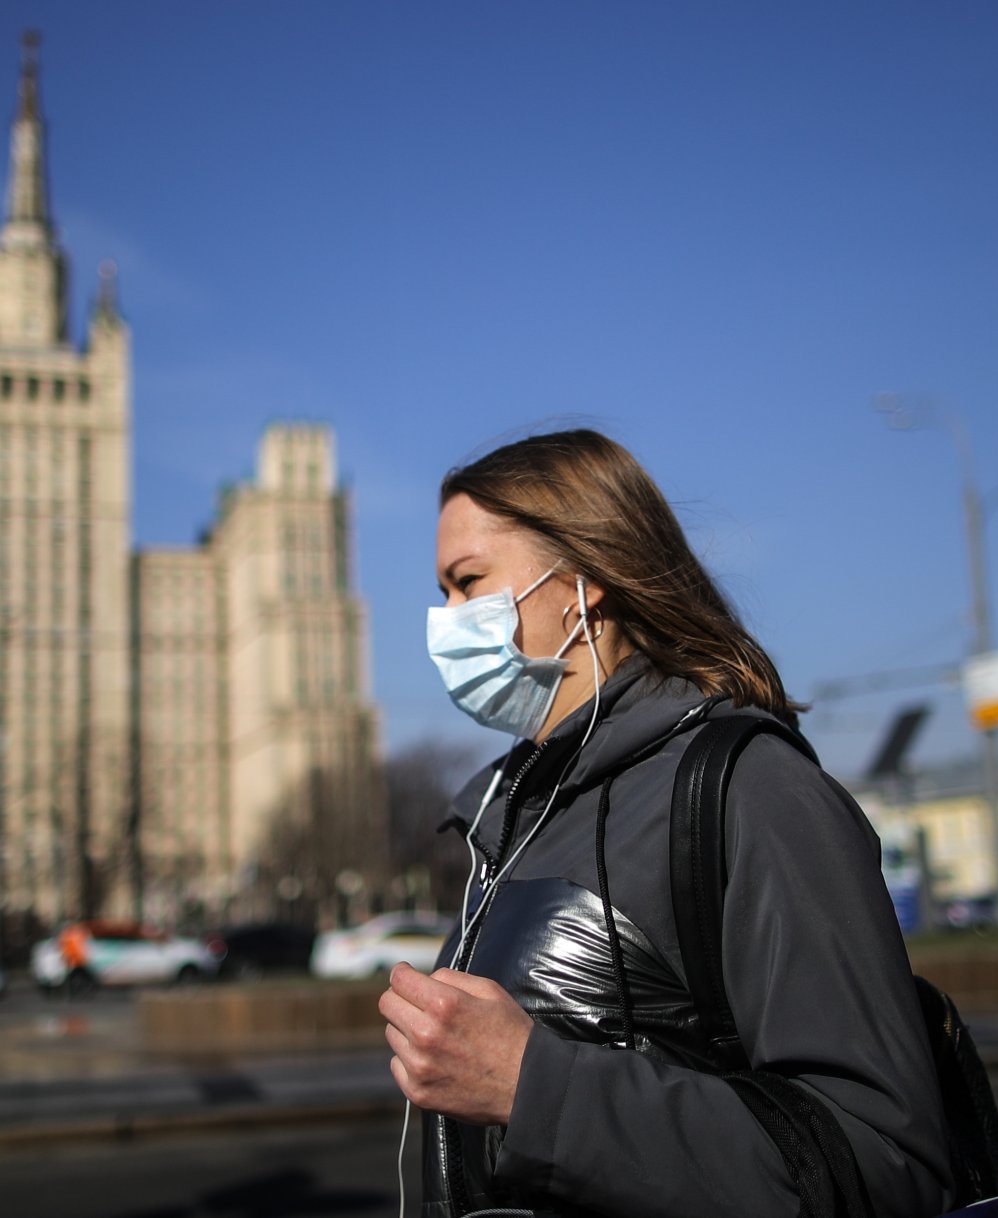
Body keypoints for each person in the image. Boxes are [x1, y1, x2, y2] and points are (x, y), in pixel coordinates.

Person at [381, 429, 951, 1217]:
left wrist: (535, 1088)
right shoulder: (509, 816)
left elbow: (885, 1163)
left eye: (467, 582)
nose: (444, 622)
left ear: (586, 576)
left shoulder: (751, 790)